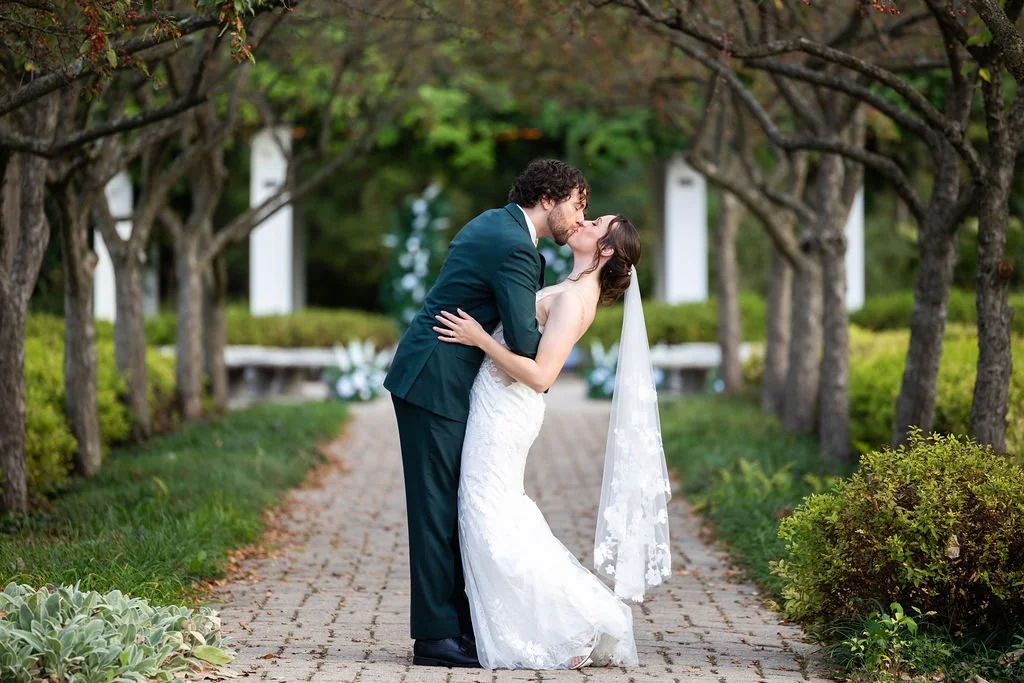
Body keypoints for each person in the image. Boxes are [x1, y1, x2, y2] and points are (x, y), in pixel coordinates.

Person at [434, 214, 671, 669]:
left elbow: (542, 376)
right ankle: (551, 618)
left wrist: (481, 339)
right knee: (493, 512)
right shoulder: (570, 286)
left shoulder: (576, 298)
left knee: (488, 513)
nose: (584, 220)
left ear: (604, 251)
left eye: (596, 223)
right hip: (493, 403)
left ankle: (573, 622)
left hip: (508, 411)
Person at [383, 159, 588, 668]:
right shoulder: (516, 246)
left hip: (437, 376)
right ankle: (435, 639)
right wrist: (565, 318)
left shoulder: (493, 222)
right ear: (550, 198)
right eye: (577, 203)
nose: (579, 216)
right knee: (435, 510)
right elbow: (523, 340)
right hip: (435, 381)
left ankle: (456, 627)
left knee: (448, 504)